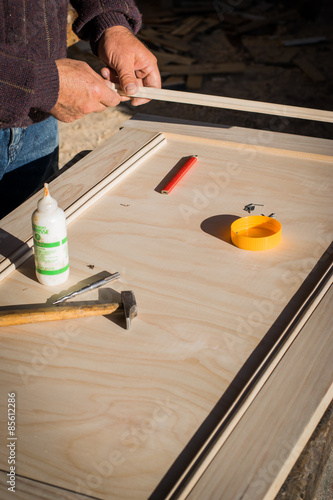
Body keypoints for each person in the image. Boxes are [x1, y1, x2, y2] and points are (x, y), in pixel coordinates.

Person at [0, 0, 161, 218]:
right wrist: (39, 83)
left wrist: (110, 20)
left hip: (38, 117)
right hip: (40, 90)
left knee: (40, 234)